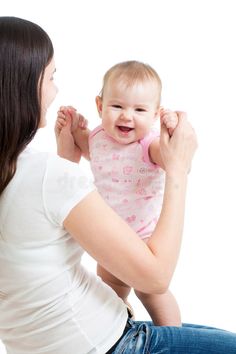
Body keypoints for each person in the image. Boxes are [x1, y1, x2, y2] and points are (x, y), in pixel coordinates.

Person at [1, 16, 236, 354]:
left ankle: (168, 330)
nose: (56, 90)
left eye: (140, 109)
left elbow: (44, 223)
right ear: (24, 86)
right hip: (108, 342)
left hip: (81, 329)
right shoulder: (49, 171)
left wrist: (67, 153)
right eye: (51, 77)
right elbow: (156, 277)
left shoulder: (19, 169)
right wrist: (178, 169)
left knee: (158, 307)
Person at [55, 61, 182, 327]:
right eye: (117, 106)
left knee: (151, 292)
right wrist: (74, 130)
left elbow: (172, 158)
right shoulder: (98, 137)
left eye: (139, 109)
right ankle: (119, 329)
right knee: (108, 293)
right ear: (100, 106)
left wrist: (171, 131)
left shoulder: (150, 145)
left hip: (146, 240)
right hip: (111, 238)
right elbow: (98, 157)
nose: (127, 116)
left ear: (155, 115)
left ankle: (172, 333)